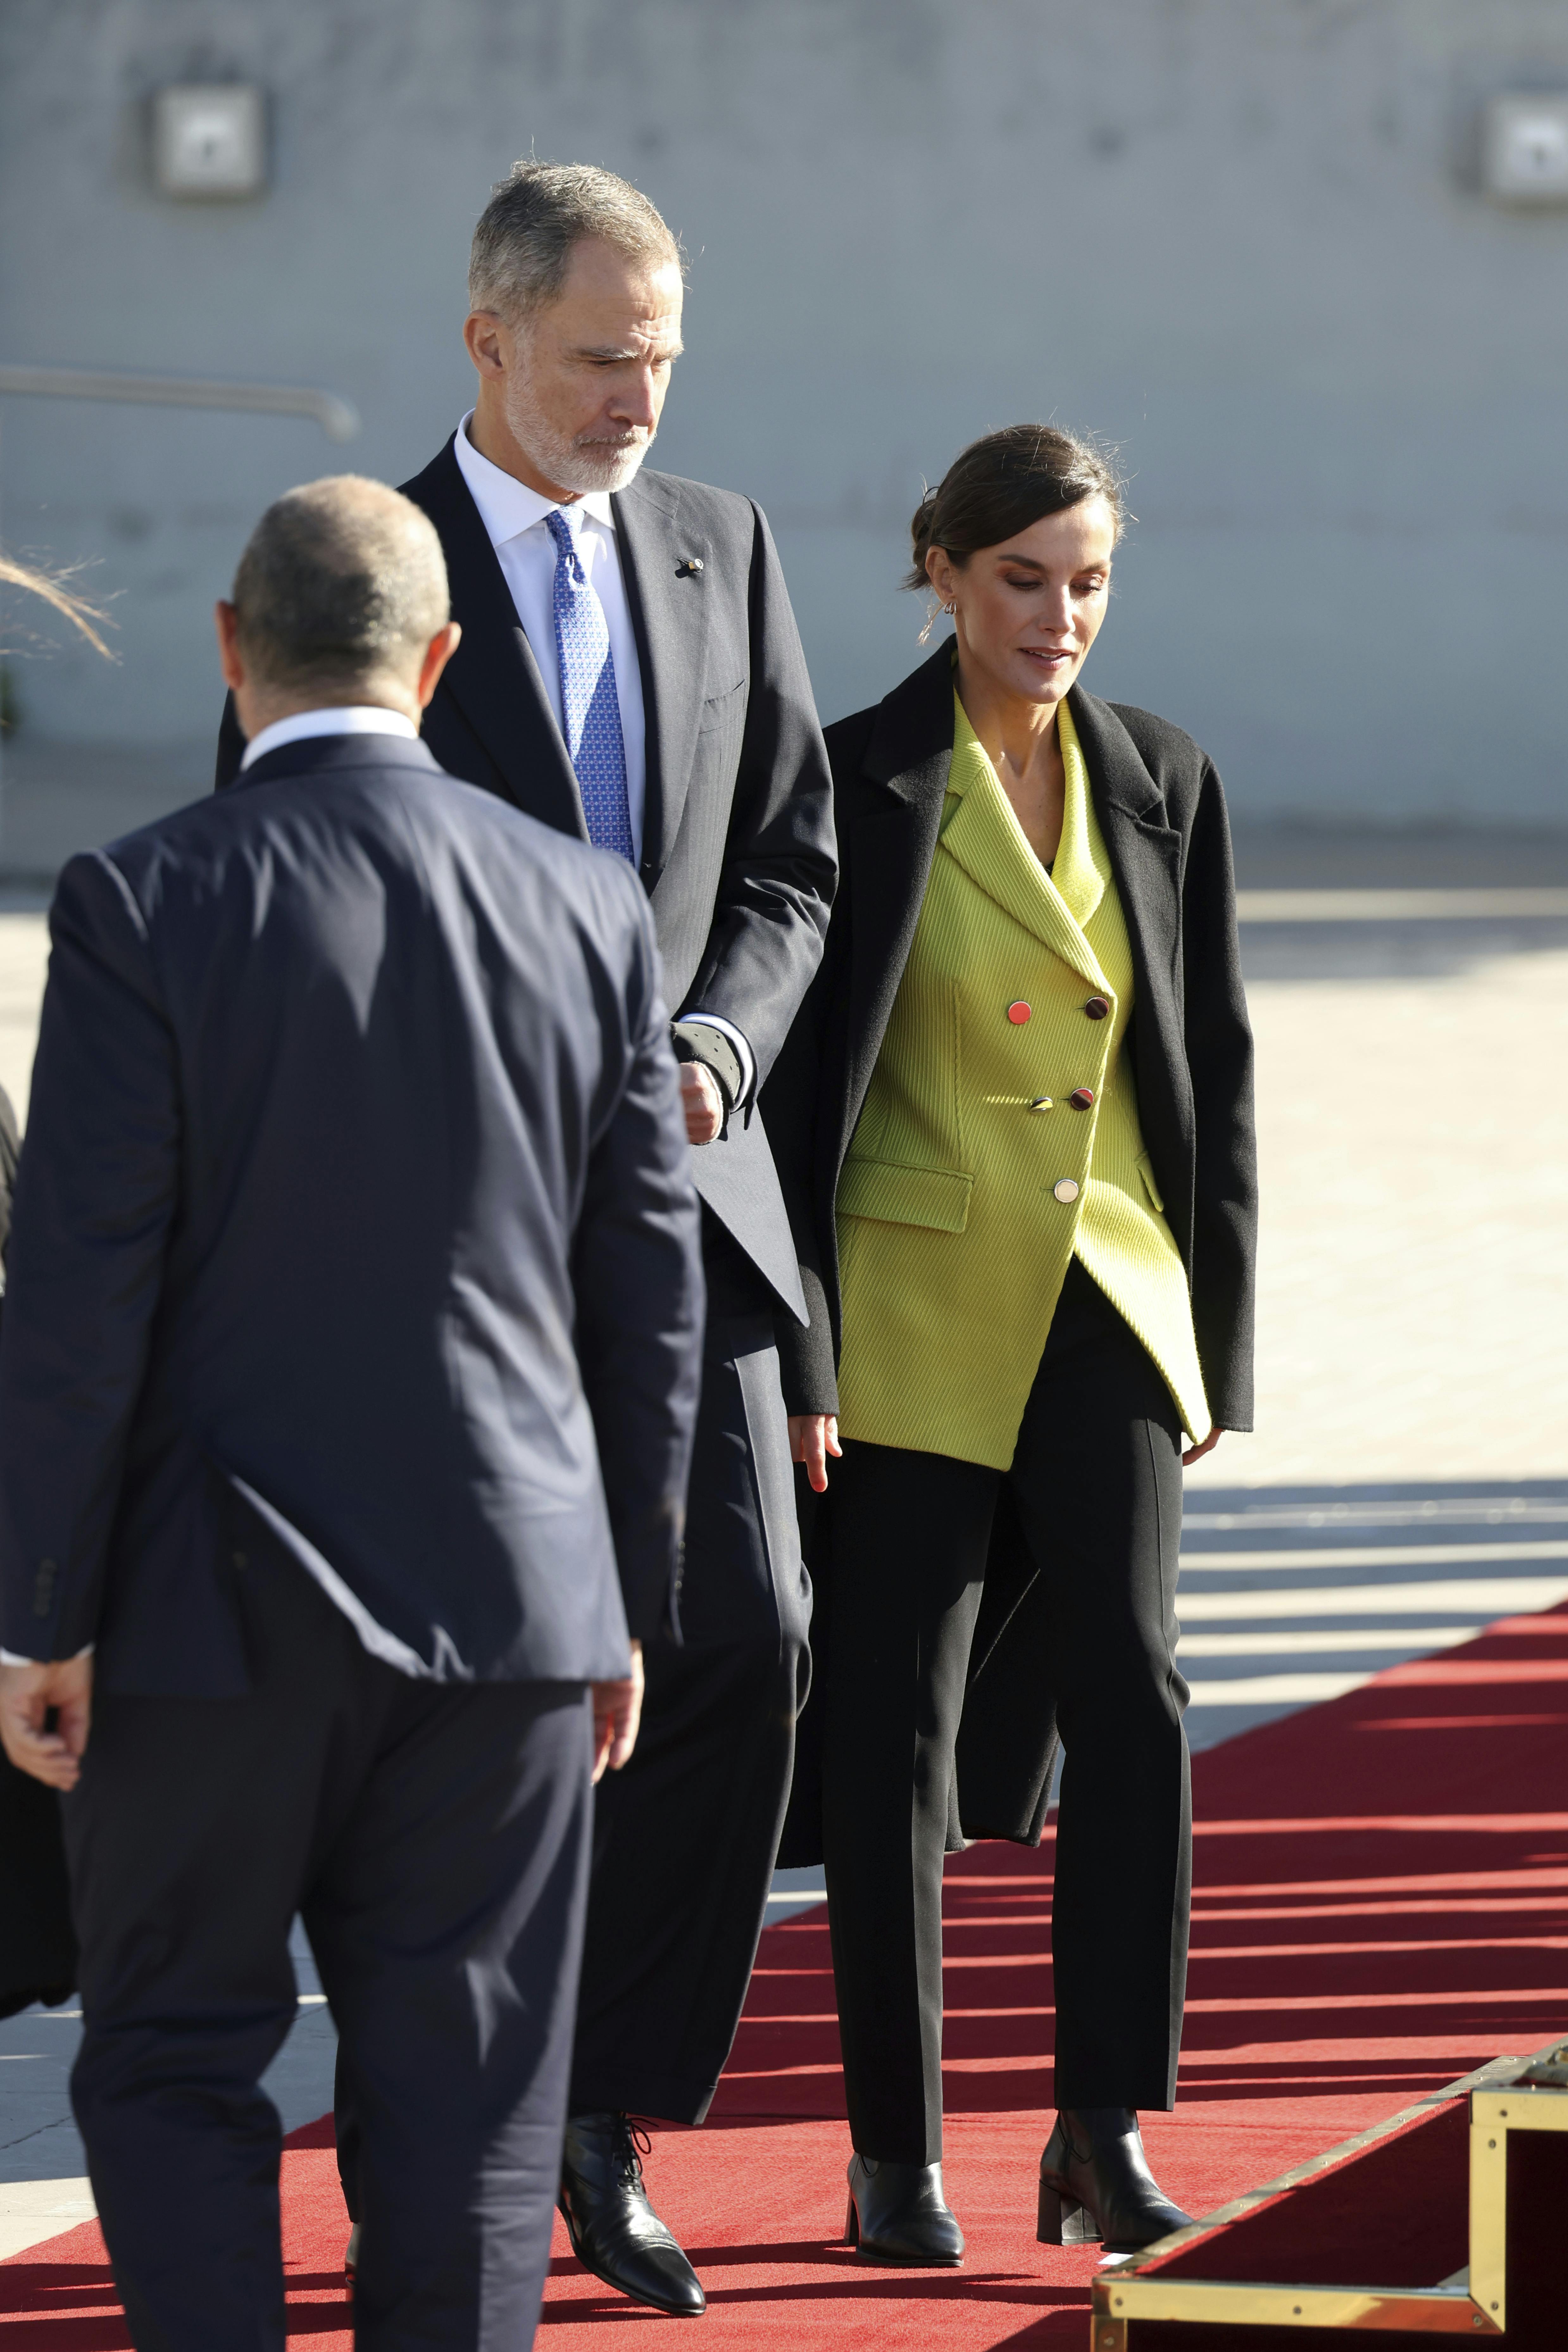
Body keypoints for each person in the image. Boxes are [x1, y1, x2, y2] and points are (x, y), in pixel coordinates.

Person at [215, 161, 836, 2319]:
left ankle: (599, 2108)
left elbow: (789, 867)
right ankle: (445, 2098)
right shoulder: (354, 567)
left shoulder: (722, 545)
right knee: (473, 1702)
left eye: (663, 357)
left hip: (689, 1195)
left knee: (743, 1644)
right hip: (452, 1247)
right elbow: (292, 892)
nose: (636, 397)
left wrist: (720, 1056)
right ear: (485, 340)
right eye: (598, 358)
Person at [0, 475, 705, 2351]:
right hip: (516, 1611)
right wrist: (626, 1598)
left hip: (199, 1620)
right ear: (444, 656)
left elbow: (77, 1298)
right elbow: (649, 1291)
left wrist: (37, 1613)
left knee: (170, 2067)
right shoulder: (585, 903)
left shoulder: (145, 897)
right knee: (476, 2109)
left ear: (230, 654)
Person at [766, 425, 1257, 2262]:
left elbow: (1210, 1066)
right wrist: (798, 1350)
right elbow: (799, 1096)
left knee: (1134, 1702)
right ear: (945, 575)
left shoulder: (1163, 775)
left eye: (1089, 580)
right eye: (1023, 578)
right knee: (896, 1737)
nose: (1061, 615)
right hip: (905, 1307)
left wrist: (1218, 1335)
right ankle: (896, 2158)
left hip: (1116, 1296)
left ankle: (1101, 2127)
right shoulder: (852, 778)